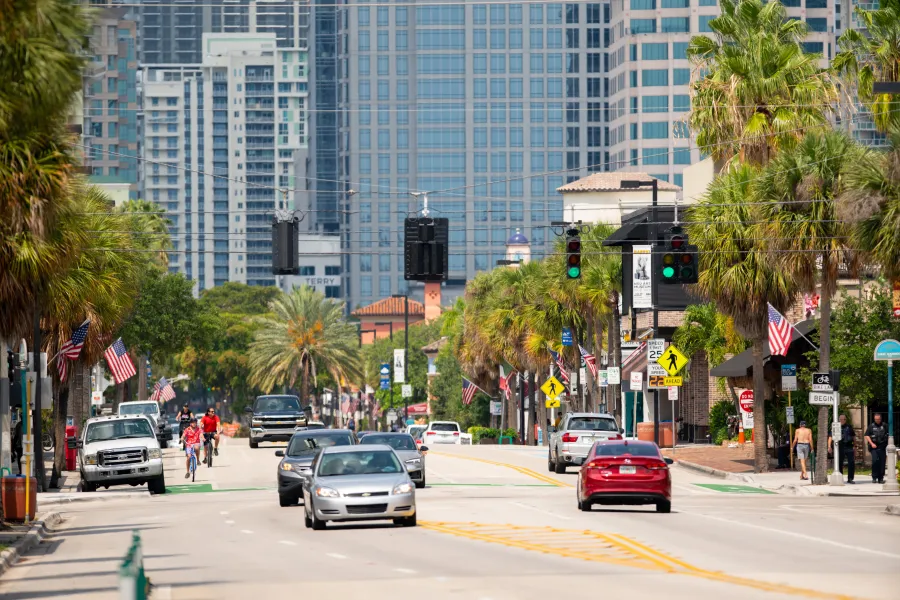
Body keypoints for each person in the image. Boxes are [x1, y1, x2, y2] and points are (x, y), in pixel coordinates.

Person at [828, 414, 856, 484]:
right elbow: (830, 437)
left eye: (844, 419)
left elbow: (853, 437)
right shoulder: (835, 426)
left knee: (851, 463)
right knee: (839, 463)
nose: (842, 421)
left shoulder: (849, 427)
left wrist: (855, 446)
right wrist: (829, 446)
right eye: (841, 419)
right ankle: (840, 477)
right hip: (840, 447)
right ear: (839, 420)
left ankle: (850, 478)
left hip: (849, 446)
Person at [864, 413, 889, 484]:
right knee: (875, 461)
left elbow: (889, 434)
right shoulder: (871, 426)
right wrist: (871, 443)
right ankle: (874, 477)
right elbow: (866, 435)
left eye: (878, 419)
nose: (877, 420)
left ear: (881, 419)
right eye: (876, 419)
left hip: (882, 447)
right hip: (874, 447)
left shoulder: (884, 425)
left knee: (882, 462)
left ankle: (881, 478)